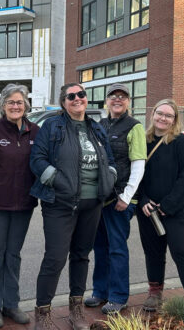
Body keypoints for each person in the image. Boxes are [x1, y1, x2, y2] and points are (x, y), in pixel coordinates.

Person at [30, 83, 117, 330]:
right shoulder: (52, 126)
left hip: (92, 204)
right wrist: (59, 183)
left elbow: (110, 160)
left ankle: (76, 311)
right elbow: (37, 159)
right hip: (60, 204)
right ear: (63, 102)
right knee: (55, 258)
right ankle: (43, 314)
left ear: (86, 99)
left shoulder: (96, 128)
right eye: (71, 96)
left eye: (81, 94)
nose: (77, 98)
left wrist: (109, 179)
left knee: (81, 257)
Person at [0, 84, 40, 328]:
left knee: (13, 255)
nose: (15, 106)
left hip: (24, 203)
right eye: (11, 102)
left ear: (26, 106)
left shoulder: (36, 131)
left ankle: (11, 304)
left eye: (19, 102)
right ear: (3, 105)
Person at [136, 99, 184, 312]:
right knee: (153, 253)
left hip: (177, 210)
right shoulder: (142, 142)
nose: (163, 118)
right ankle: (155, 293)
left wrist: (168, 205)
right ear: (152, 114)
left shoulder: (182, 144)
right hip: (148, 211)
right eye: (159, 113)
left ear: (174, 120)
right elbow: (135, 175)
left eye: (168, 115)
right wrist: (143, 200)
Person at [85, 83, 146, 314]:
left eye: (122, 96)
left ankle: (118, 296)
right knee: (100, 246)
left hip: (121, 199)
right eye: (113, 96)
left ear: (128, 102)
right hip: (101, 198)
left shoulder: (134, 127)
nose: (117, 99)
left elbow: (138, 165)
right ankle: (100, 292)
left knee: (117, 248)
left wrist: (127, 196)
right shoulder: (100, 125)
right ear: (106, 101)